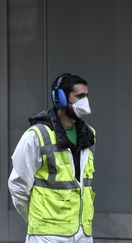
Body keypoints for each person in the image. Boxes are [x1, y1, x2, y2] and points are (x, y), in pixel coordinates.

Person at [8, 73, 96, 243]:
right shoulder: (36, 136)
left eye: (86, 96)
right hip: (47, 235)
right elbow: (18, 186)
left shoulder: (89, 135)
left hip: (83, 232)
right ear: (60, 99)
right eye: (80, 96)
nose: (85, 101)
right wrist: (38, 220)